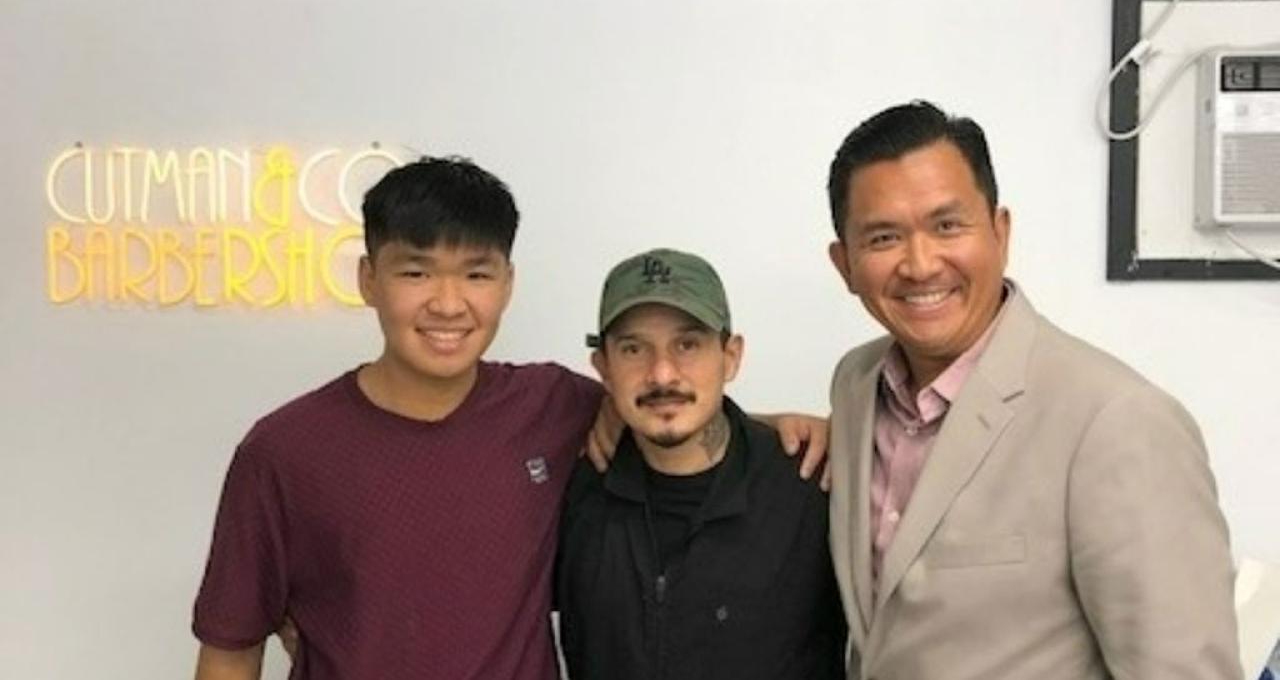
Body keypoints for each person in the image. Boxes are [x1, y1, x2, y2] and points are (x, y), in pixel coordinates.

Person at [191, 157, 827, 680]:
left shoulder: (550, 406)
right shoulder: (285, 452)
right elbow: (229, 651)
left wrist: (793, 427)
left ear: (507, 283)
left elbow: (669, 406)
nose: (448, 303)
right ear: (367, 278)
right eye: (415, 272)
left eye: (475, 273)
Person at [822, 101, 1241, 680]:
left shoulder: (1116, 420)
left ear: (1000, 233)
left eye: (947, 226)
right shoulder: (855, 386)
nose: (920, 265)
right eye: (884, 237)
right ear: (844, 264)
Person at [556, 248, 845, 680]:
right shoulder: (568, 490)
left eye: (688, 344)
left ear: (731, 356)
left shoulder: (815, 484)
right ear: (604, 368)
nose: (663, 374)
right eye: (634, 349)